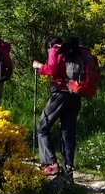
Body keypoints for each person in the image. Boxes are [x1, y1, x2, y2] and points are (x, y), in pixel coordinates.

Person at [33, 37, 82, 183]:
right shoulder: (73, 51)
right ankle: (68, 172)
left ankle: (50, 164)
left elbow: (52, 69)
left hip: (60, 94)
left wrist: (39, 66)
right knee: (68, 135)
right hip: (75, 95)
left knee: (42, 127)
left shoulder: (55, 49)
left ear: (49, 45)